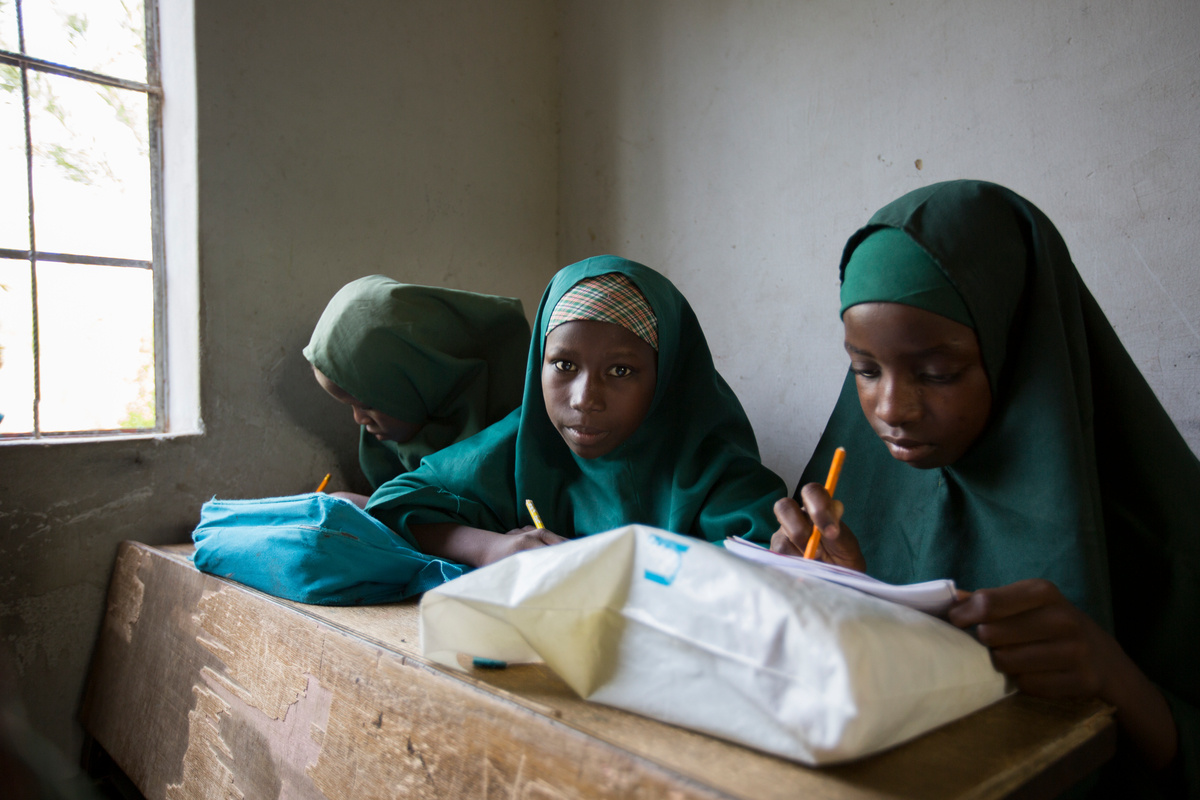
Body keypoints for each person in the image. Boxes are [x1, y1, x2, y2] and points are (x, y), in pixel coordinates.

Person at [773, 180, 1198, 795]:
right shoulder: (852, 500)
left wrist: (1117, 679)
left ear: (1014, 346)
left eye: (938, 373)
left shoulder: (1160, 528)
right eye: (864, 369)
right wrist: (831, 592)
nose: (891, 408)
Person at [368, 255, 787, 566]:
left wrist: (600, 568)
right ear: (540, 363)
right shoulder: (521, 447)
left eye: (621, 370)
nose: (585, 398)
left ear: (668, 377)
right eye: (564, 365)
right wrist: (493, 548)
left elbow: (766, 560)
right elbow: (395, 502)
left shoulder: (712, 470)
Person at [302, 276, 531, 505]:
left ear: (420, 382)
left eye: (366, 405)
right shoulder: (389, 449)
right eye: (350, 406)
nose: (359, 419)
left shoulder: (511, 439)